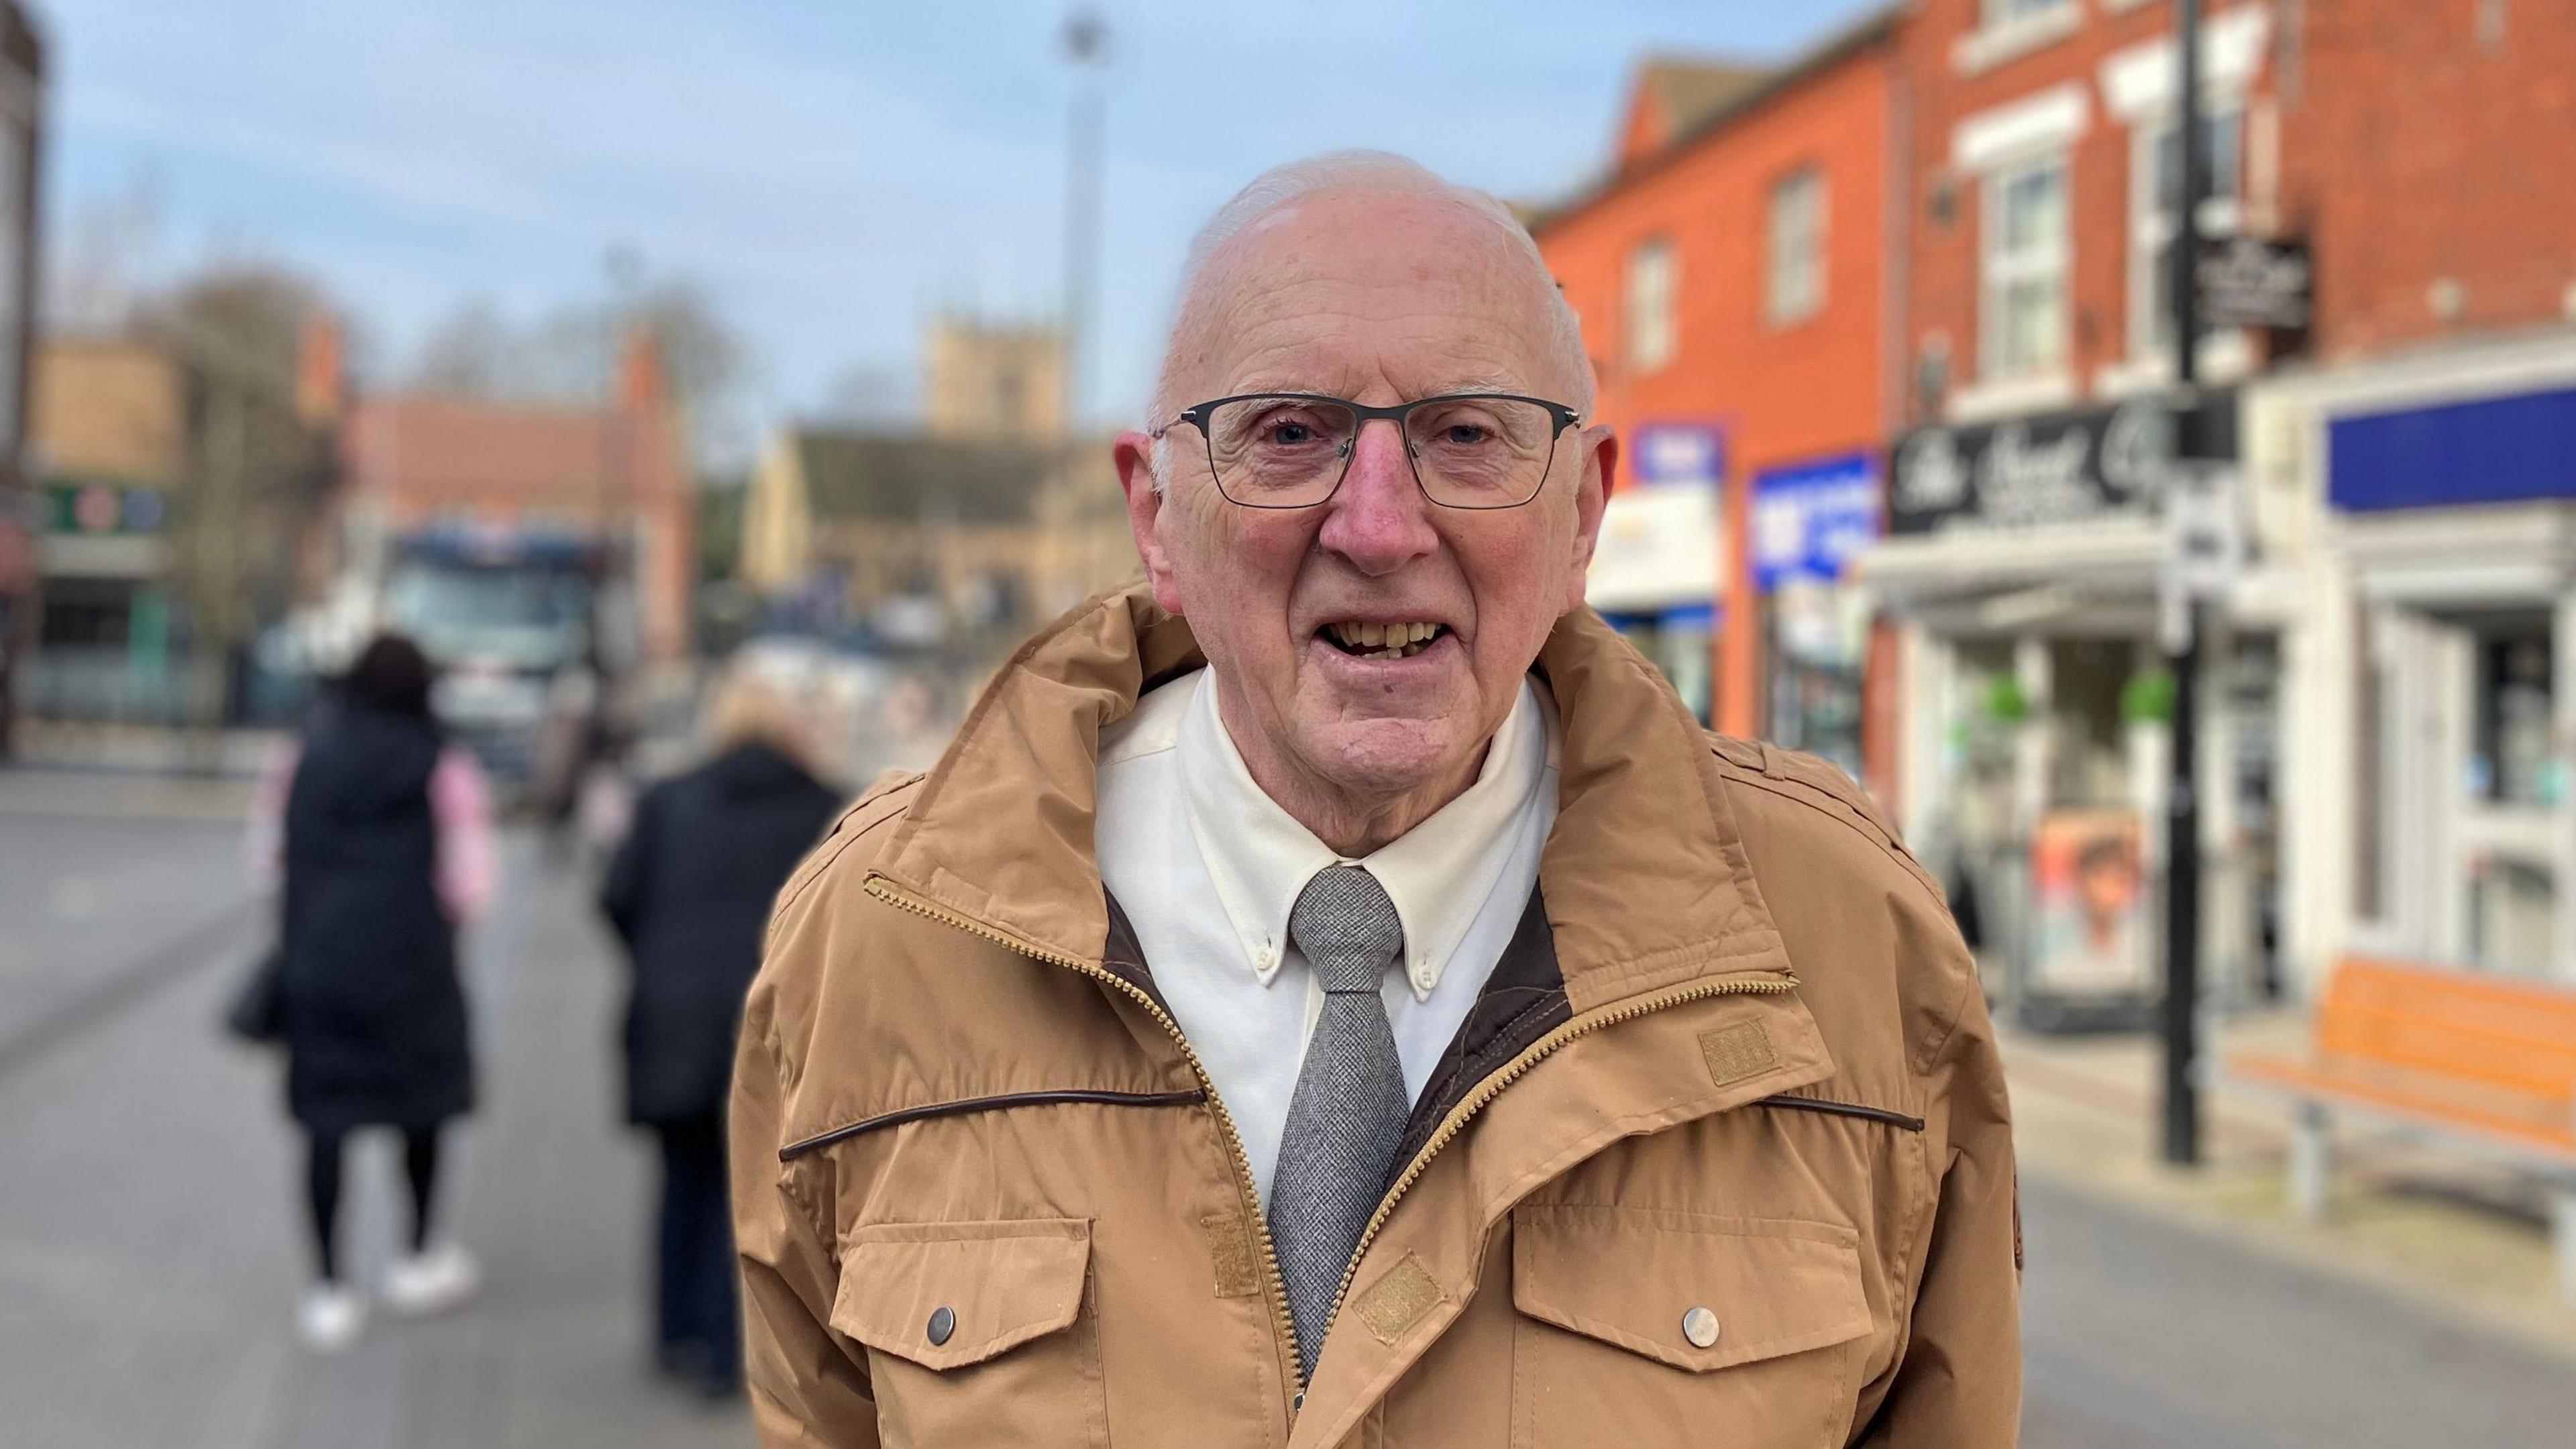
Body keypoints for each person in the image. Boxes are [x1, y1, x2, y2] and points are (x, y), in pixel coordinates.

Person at [733, 152, 2020, 1446]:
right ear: (1158, 516)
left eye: (1467, 434)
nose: (1382, 525)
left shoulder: (1848, 945)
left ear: (1583, 512)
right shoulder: (885, 938)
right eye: (1290, 434)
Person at [600, 663, 841, 1397]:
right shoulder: (825, 808)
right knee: (761, 1192)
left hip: (673, 1020)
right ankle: (724, 1346)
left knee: (683, 1179)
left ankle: (675, 1330)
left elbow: (614, 898)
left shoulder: (666, 801)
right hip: (774, 1029)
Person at [266, 633, 494, 1352]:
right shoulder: (443, 764)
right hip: (413, 970)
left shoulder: (302, 755)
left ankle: (330, 1289)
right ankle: (417, 1259)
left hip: (319, 967)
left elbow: (266, 860)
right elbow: (470, 883)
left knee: (325, 1126)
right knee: (420, 1114)